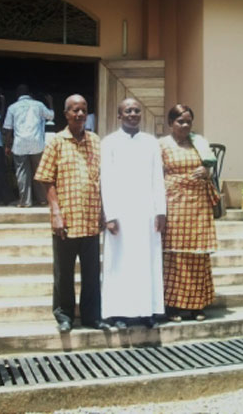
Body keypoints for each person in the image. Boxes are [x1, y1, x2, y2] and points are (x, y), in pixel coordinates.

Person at [34, 94, 108, 333]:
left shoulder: (96, 141)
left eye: (83, 110)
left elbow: (103, 179)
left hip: (90, 218)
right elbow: (46, 178)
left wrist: (103, 211)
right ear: (66, 114)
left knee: (91, 272)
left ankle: (91, 316)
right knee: (64, 272)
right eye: (75, 110)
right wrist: (55, 212)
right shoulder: (56, 142)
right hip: (66, 219)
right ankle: (64, 315)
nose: (80, 114)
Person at [100, 98, 166, 329]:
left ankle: (147, 311)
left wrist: (161, 211)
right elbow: (106, 179)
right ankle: (119, 312)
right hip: (121, 212)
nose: (133, 114)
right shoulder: (109, 142)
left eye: (137, 110)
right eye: (128, 110)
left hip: (146, 211)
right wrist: (110, 215)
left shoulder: (151, 143)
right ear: (119, 115)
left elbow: (158, 178)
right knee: (120, 262)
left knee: (146, 262)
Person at [159, 104, 219, 322]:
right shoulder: (162, 145)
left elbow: (209, 166)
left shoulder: (199, 143)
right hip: (173, 202)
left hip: (198, 205)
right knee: (174, 254)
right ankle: (172, 306)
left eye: (188, 122)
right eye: (180, 121)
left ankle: (197, 305)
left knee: (198, 255)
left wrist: (206, 171)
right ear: (170, 123)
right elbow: (155, 173)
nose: (185, 125)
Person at [3, 84, 53, 207]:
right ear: (29, 93)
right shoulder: (39, 105)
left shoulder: (12, 107)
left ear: (17, 94)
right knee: (39, 172)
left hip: (20, 145)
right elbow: (50, 117)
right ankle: (43, 200)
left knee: (22, 173)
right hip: (37, 144)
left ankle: (25, 201)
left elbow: (8, 129)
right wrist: (50, 103)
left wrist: (7, 146)